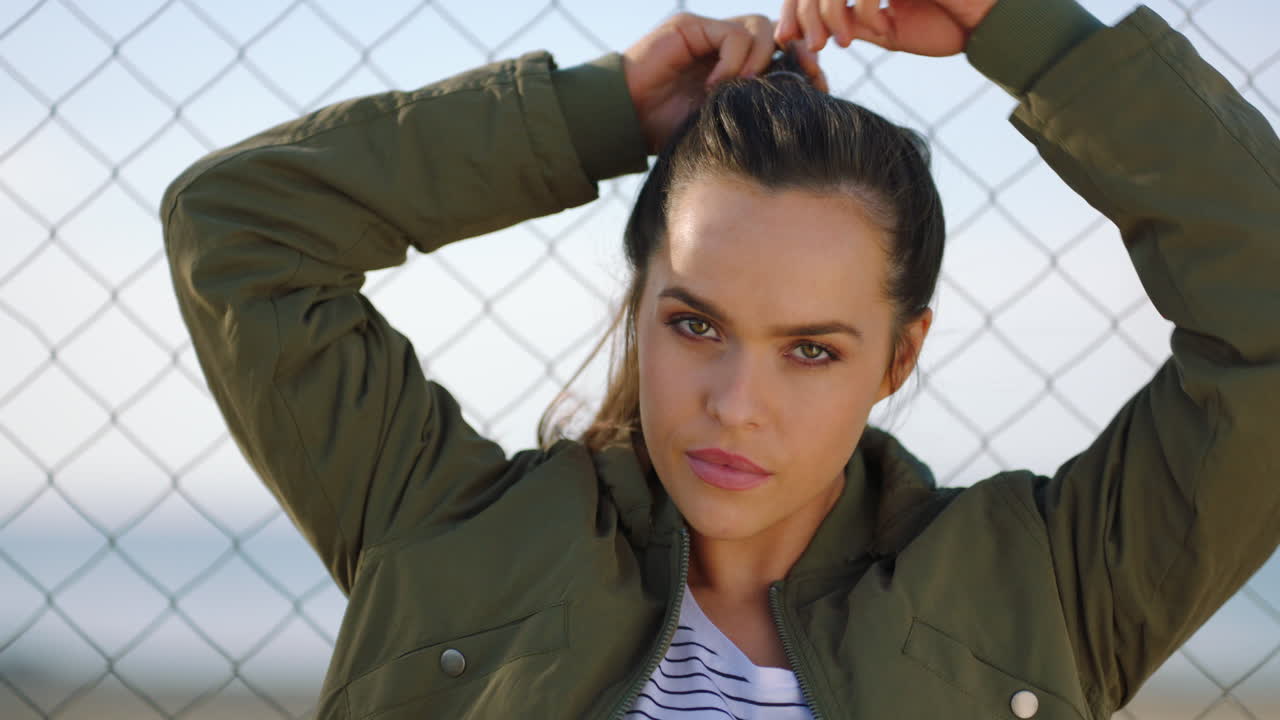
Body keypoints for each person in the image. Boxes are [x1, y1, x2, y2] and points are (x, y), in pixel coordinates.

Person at [160, 0, 1280, 716]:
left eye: (811, 350)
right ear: (639, 302)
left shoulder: (1045, 588)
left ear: (898, 358)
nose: (736, 406)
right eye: (695, 325)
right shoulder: (446, 532)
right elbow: (239, 227)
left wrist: (1027, 29)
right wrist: (599, 114)